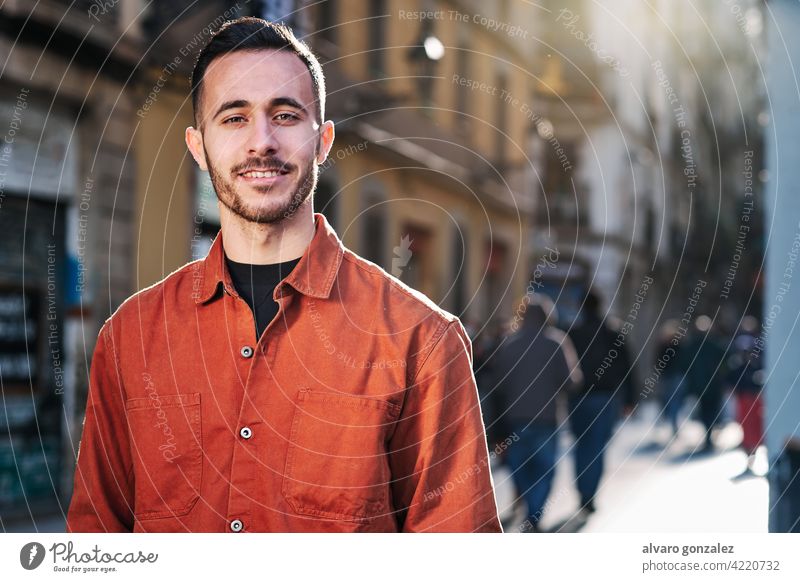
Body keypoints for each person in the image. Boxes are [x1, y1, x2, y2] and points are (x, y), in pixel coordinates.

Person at [66, 18, 501, 533]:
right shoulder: (130, 337)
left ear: (323, 142)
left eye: (286, 115)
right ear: (198, 147)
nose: (262, 142)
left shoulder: (420, 341)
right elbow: (97, 541)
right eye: (233, 118)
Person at [492, 294, 582, 531]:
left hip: (516, 418)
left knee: (518, 467)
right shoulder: (556, 342)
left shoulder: (510, 344)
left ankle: (530, 509)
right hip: (547, 418)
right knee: (545, 470)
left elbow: (498, 384)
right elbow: (572, 382)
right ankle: (534, 513)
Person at [568, 291, 636, 515]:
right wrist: (630, 399)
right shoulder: (612, 333)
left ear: (580, 307)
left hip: (578, 398)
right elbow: (628, 367)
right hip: (605, 398)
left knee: (581, 445)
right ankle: (589, 495)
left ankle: (582, 491)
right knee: (597, 448)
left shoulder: (573, 334)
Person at [726, 331, 765, 476]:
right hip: (744, 402)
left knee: (757, 433)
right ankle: (749, 461)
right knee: (747, 434)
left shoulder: (758, 367)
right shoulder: (738, 368)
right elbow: (730, 384)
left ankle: (755, 459)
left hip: (756, 402)